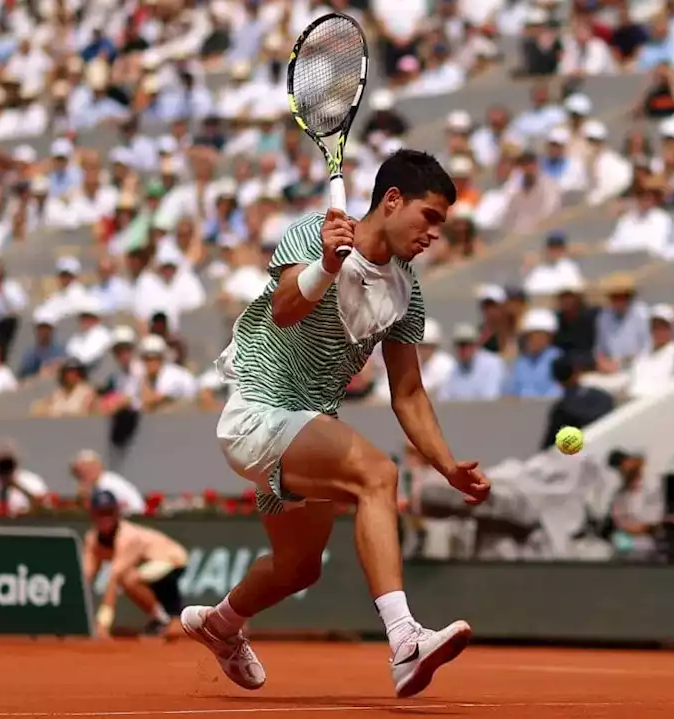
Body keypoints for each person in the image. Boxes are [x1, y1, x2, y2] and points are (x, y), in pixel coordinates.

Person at [185, 150, 490, 698]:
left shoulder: (406, 291)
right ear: (392, 200)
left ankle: (222, 626)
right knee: (377, 475)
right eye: (430, 216)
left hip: (305, 427)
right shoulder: (314, 232)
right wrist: (327, 264)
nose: (434, 234)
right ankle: (404, 641)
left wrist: (446, 465)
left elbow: (409, 393)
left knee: (297, 568)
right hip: (257, 410)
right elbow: (282, 311)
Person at [83, 490, 188, 639]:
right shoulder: (92, 538)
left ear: (117, 513)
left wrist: (102, 624)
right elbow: (85, 575)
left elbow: (114, 577)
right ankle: (165, 621)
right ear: (92, 515)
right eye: (100, 513)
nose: (105, 518)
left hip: (172, 559)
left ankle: (162, 621)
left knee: (128, 579)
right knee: (128, 578)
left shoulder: (128, 537)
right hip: (150, 564)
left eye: (109, 512)